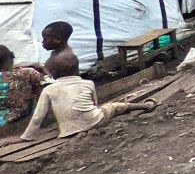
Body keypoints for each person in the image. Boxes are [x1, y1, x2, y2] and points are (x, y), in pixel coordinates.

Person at [18, 49, 150, 139]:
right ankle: (145, 106)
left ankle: (144, 106)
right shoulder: (88, 83)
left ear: (53, 74)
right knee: (115, 106)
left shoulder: (49, 89)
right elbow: (95, 105)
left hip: (67, 131)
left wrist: (26, 137)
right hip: (95, 120)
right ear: (77, 70)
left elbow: (37, 117)